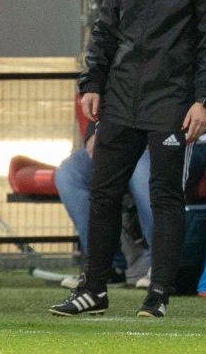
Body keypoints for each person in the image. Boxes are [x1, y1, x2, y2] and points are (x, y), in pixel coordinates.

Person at [49, 0, 206, 318]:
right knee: (103, 193)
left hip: (171, 103)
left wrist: (202, 101)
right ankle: (93, 289)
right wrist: (91, 83)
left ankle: (159, 295)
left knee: (164, 197)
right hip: (119, 100)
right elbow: (106, 30)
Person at [54, 122, 152, 288]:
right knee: (70, 173)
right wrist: (94, 133)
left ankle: (159, 267)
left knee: (142, 171)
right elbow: (100, 102)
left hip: (158, 139)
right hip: (118, 136)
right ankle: (105, 267)